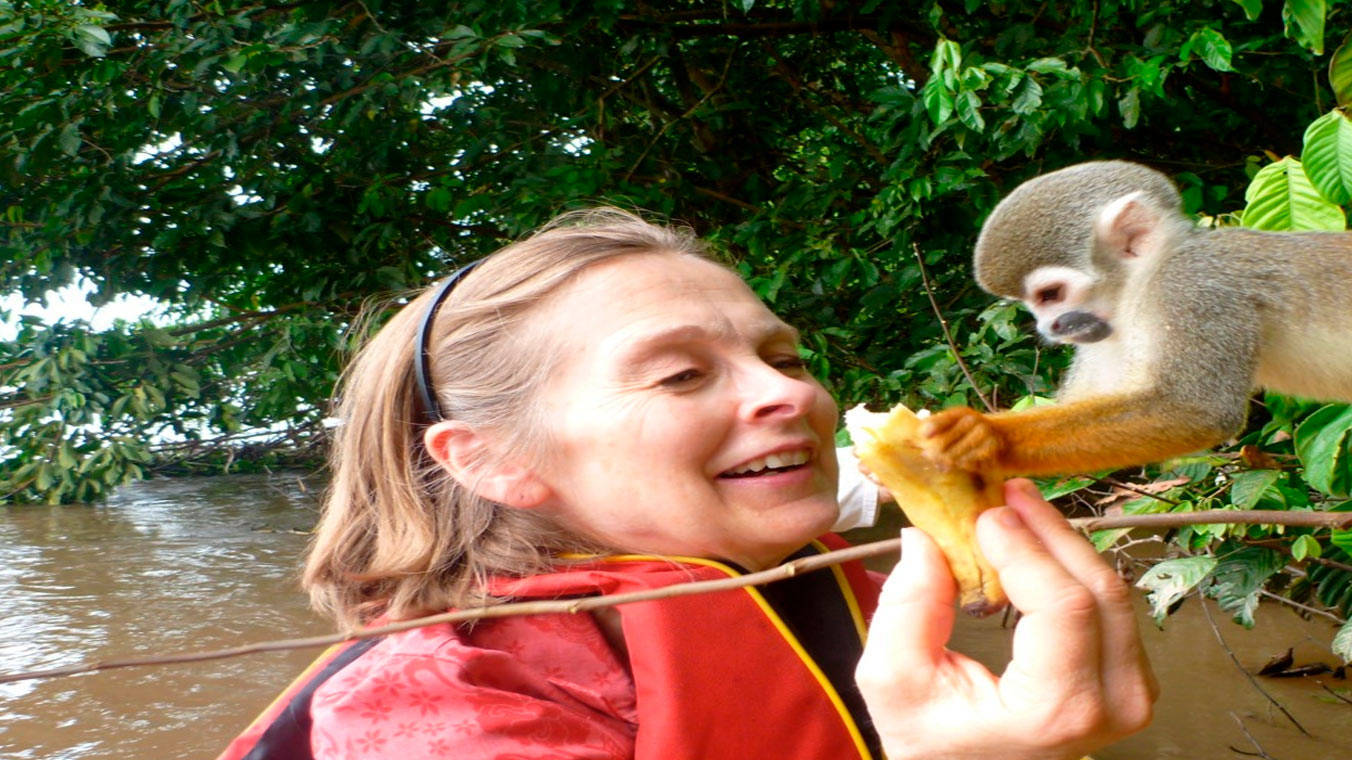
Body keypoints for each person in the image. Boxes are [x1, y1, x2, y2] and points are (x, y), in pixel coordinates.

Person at [218, 207, 1157, 759]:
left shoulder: (841, 583)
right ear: (494, 460)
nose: (794, 395)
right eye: (679, 374)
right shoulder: (443, 704)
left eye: (784, 357)